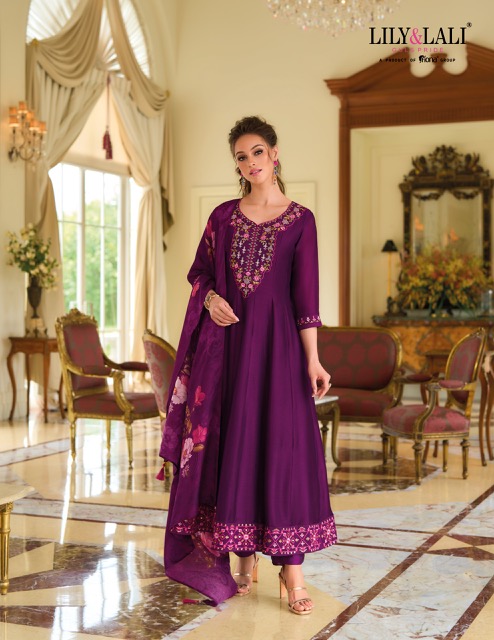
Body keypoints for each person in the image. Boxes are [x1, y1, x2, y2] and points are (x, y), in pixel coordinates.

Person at [158, 115, 337, 615]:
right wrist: (211, 298)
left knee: (282, 451)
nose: (251, 162)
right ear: (236, 165)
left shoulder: (300, 220)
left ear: (274, 155)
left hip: (280, 352)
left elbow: (305, 299)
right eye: (241, 156)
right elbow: (199, 274)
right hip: (229, 352)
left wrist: (313, 360)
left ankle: (291, 571)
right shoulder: (222, 217)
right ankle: (241, 560)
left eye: (257, 152)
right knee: (233, 447)